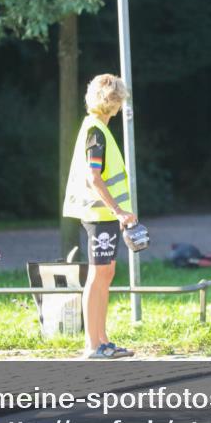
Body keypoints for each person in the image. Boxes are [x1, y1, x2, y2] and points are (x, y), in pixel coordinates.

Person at [62, 74, 137, 359]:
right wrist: (118, 210)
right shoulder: (96, 132)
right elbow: (95, 177)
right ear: (115, 102)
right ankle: (93, 345)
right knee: (98, 274)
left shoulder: (95, 127)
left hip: (103, 214)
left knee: (105, 273)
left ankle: (102, 340)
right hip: (100, 213)